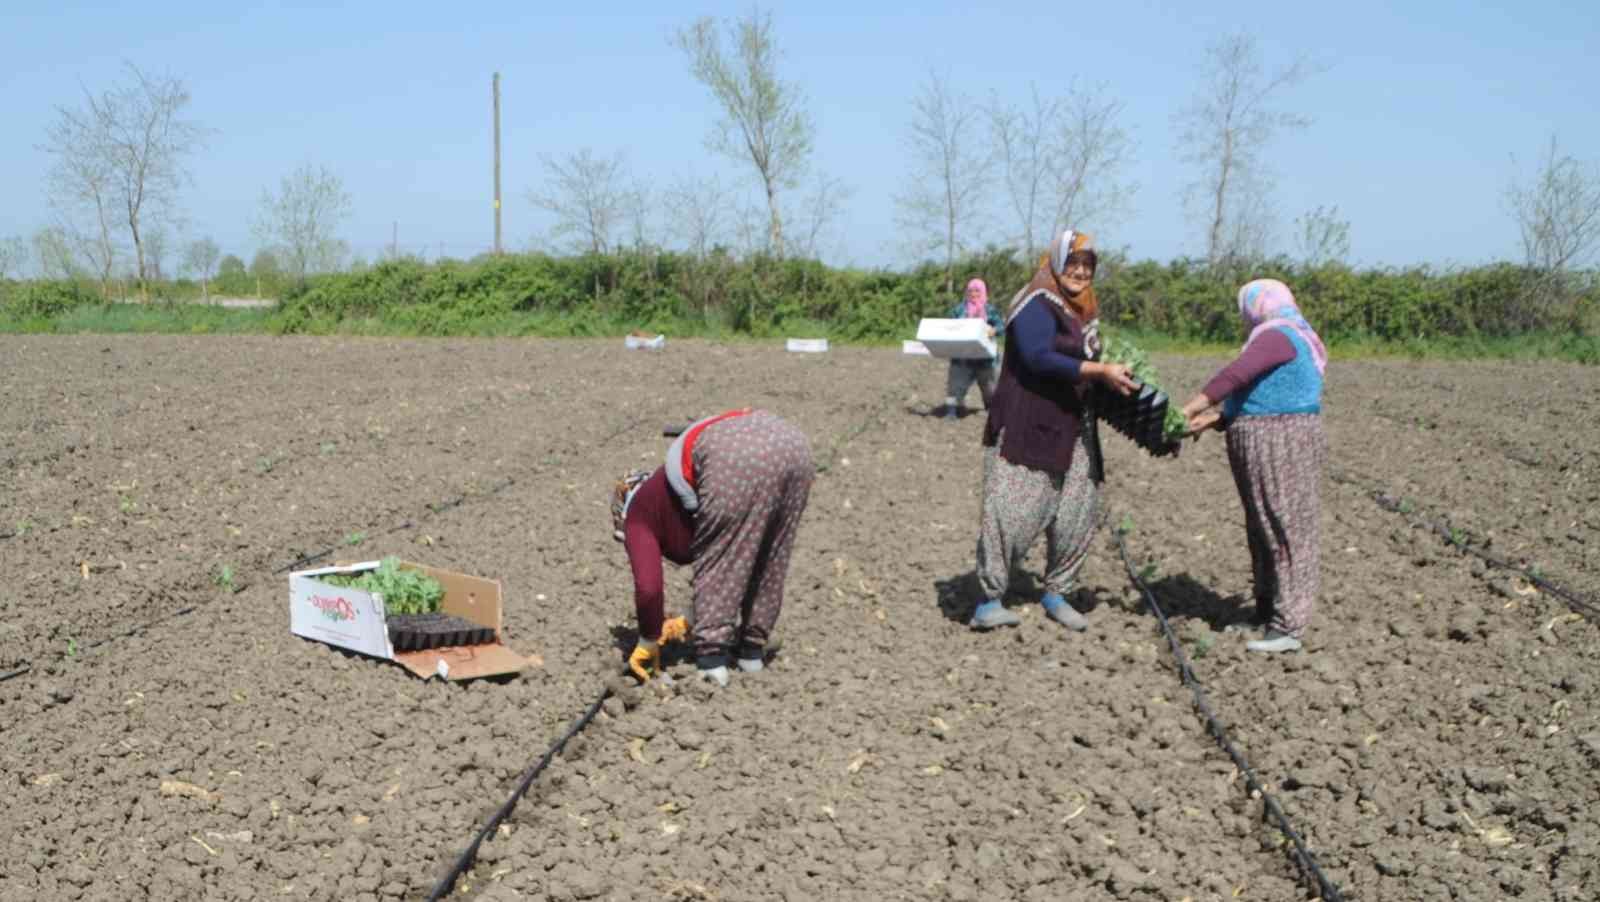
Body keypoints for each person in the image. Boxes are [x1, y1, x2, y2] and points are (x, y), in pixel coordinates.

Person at [969, 229, 1138, 632]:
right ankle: (989, 599)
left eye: (1088, 265)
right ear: (1056, 262)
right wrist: (1098, 370)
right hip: (1031, 422)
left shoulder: (1084, 311)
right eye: (1073, 262)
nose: (1080, 272)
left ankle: (1057, 592)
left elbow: (1088, 359)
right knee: (1012, 507)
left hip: (1076, 425)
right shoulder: (1036, 303)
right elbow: (1038, 356)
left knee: (1077, 509)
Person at [612, 409, 814, 686]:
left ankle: (712, 663)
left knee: (721, 562)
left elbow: (650, 588)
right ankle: (751, 655)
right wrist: (690, 619)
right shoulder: (669, 497)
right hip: (795, 447)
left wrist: (648, 637)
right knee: (771, 554)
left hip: (734, 457)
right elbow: (740, 550)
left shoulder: (637, 514)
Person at [1180, 278, 1327, 654]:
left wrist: (1190, 409)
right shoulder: (1279, 335)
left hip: (1281, 441)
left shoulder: (1279, 335)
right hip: (1264, 438)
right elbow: (1257, 392)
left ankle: (1288, 624)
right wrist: (1216, 418)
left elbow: (1236, 376)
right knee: (1263, 528)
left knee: (1285, 526)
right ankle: (1267, 613)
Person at [941, 278, 1004, 420]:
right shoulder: (959, 309)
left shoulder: (990, 310)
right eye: (970, 290)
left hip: (986, 359)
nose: (973, 293)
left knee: (990, 388)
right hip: (962, 357)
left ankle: (991, 409)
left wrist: (993, 330)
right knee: (955, 385)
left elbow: (1001, 327)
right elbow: (948, 326)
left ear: (983, 292)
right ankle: (951, 411)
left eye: (977, 290)